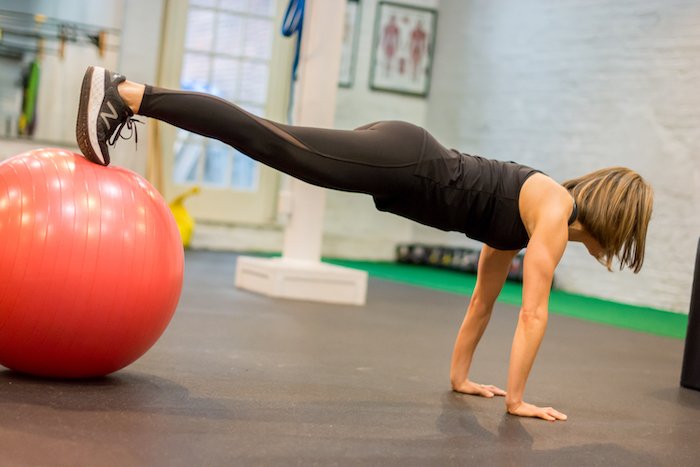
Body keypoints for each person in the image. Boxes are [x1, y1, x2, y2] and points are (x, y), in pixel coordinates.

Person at [76, 66, 653, 422]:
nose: (618, 253)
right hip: (406, 160)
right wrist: (518, 400)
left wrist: (461, 378)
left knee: (275, 143)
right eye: (626, 238)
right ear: (612, 220)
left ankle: (128, 95)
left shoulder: (525, 219)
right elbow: (533, 313)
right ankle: (127, 93)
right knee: (272, 141)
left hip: (404, 157)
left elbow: (484, 299)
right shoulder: (553, 209)